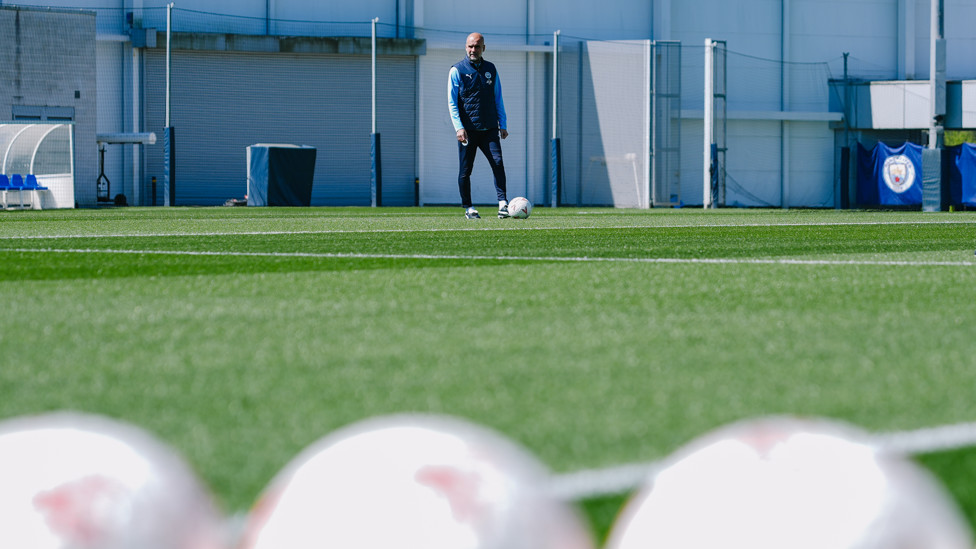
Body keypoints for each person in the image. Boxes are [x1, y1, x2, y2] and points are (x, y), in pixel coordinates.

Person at [448, 32, 509, 219]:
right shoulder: (456, 70)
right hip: (468, 131)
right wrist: (459, 127)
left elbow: (498, 98)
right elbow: (452, 102)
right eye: (470, 46)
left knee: (498, 163)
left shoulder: (491, 68)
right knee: (466, 171)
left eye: (477, 46)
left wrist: (503, 124)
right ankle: (469, 208)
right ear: (466, 47)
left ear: (484, 48)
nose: (473, 50)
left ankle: (503, 204)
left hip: (489, 128)